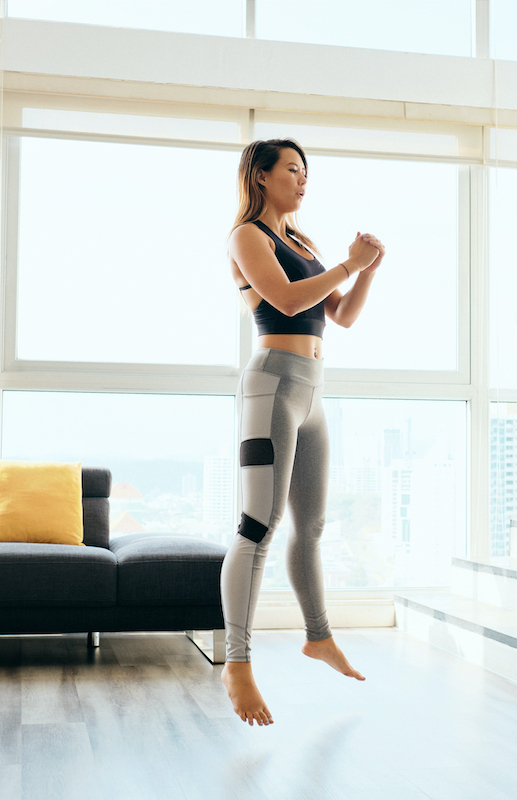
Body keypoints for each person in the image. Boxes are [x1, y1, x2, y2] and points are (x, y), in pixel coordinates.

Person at [220, 138, 384, 726]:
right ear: (261, 177)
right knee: (257, 525)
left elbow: (339, 316)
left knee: (310, 526)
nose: (303, 178)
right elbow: (287, 301)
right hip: (272, 386)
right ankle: (237, 663)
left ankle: (318, 636)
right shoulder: (249, 237)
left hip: (312, 391)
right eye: (292, 169)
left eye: (306, 170)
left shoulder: (301, 243)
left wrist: (366, 272)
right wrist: (349, 264)